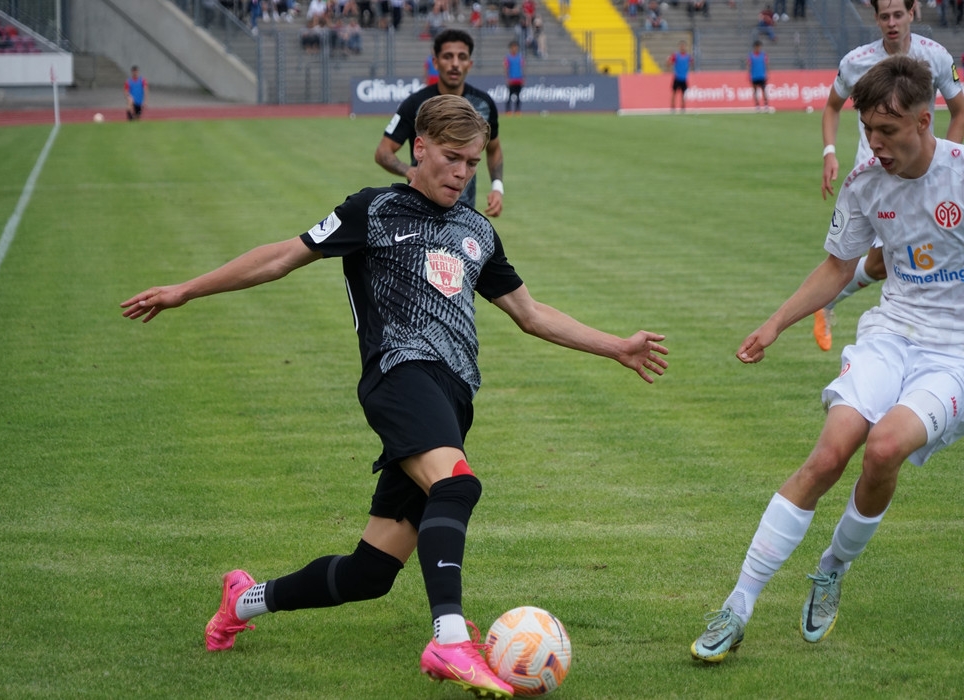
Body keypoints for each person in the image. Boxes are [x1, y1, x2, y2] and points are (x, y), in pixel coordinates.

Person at [121, 94, 670, 699]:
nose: (463, 173)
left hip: (452, 396)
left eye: (472, 163)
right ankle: (451, 638)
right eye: (453, 159)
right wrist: (186, 291)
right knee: (458, 487)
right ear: (420, 148)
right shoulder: (374, 210)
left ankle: (243, 601)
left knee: (370, 573)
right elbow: (280, 257)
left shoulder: (476, 230)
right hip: (398, 376)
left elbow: (531, 314)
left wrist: (616, 345)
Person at [690, 55, 964, 665]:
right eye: (868, 130)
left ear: (926, 120)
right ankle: (738, 605)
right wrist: (775, 323)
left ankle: (832, 565)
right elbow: (840, 266)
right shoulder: (865, 181)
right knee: (829, 453)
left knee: (886, 447)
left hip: (954, 352)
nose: (875, 144)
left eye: (887, 131)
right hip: (891, 332)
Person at [814, 0, 964, 351]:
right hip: (877, 180)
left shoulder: (937, 56)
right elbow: (831, 108)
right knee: (883, 262)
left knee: (894, 263)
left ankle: (901, 335)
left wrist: (945, 162)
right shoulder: (855, 62)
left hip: (919, 173)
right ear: (876, 19)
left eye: (899, 15)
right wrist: (829, 152)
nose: (892, 23)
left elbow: (959, 111)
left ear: (912, 14)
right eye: (885, 16)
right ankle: (893, 333)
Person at [375, 29, 505, 217]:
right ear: (435, 62)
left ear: (470, 63)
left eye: (462, 57)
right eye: (447, 57)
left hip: (464, 214)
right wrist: (409, 170)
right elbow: (383, 151)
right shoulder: (415, 103)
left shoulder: (484, 104)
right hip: (419, 210)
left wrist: (497, 187)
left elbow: (494, 148)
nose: (455, 64)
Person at [667, 41, 693, 113]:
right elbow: (670, 62)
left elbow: (692, 62)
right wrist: (668, 65)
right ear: (679, 47)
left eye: (684, 46)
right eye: (681, 46)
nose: (682, 47)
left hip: (684, 78)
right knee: (674, 93)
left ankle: (683, 107)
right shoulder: (676, 55)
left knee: (683, 94)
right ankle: (673, 107)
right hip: (677, 77)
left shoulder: (688, 56)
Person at [748, 40, 770, 112]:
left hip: (762, 75)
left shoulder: (763, 55)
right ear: (755, 47)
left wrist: (767, 73)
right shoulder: (751, 56)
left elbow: (766, 64)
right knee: (755, 91)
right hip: (754, 76)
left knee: (764, 91)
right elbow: (749, 66)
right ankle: (757, 105)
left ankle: (766, 105)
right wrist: (749, 75)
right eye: (757, 47)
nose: (758, 48)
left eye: (759, 47)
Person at [504, 40, 524, 114]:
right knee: (509, 96)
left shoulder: (520, 57)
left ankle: (517, 110)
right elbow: (506, 69)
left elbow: (522, 68)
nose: (514, 49)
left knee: (518, 96)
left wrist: (523, 78)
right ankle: (508, 110)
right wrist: (507, 78)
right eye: (513, 47)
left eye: (516, 47)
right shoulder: (508, 58)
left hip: (518, 79)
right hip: (511, 79)